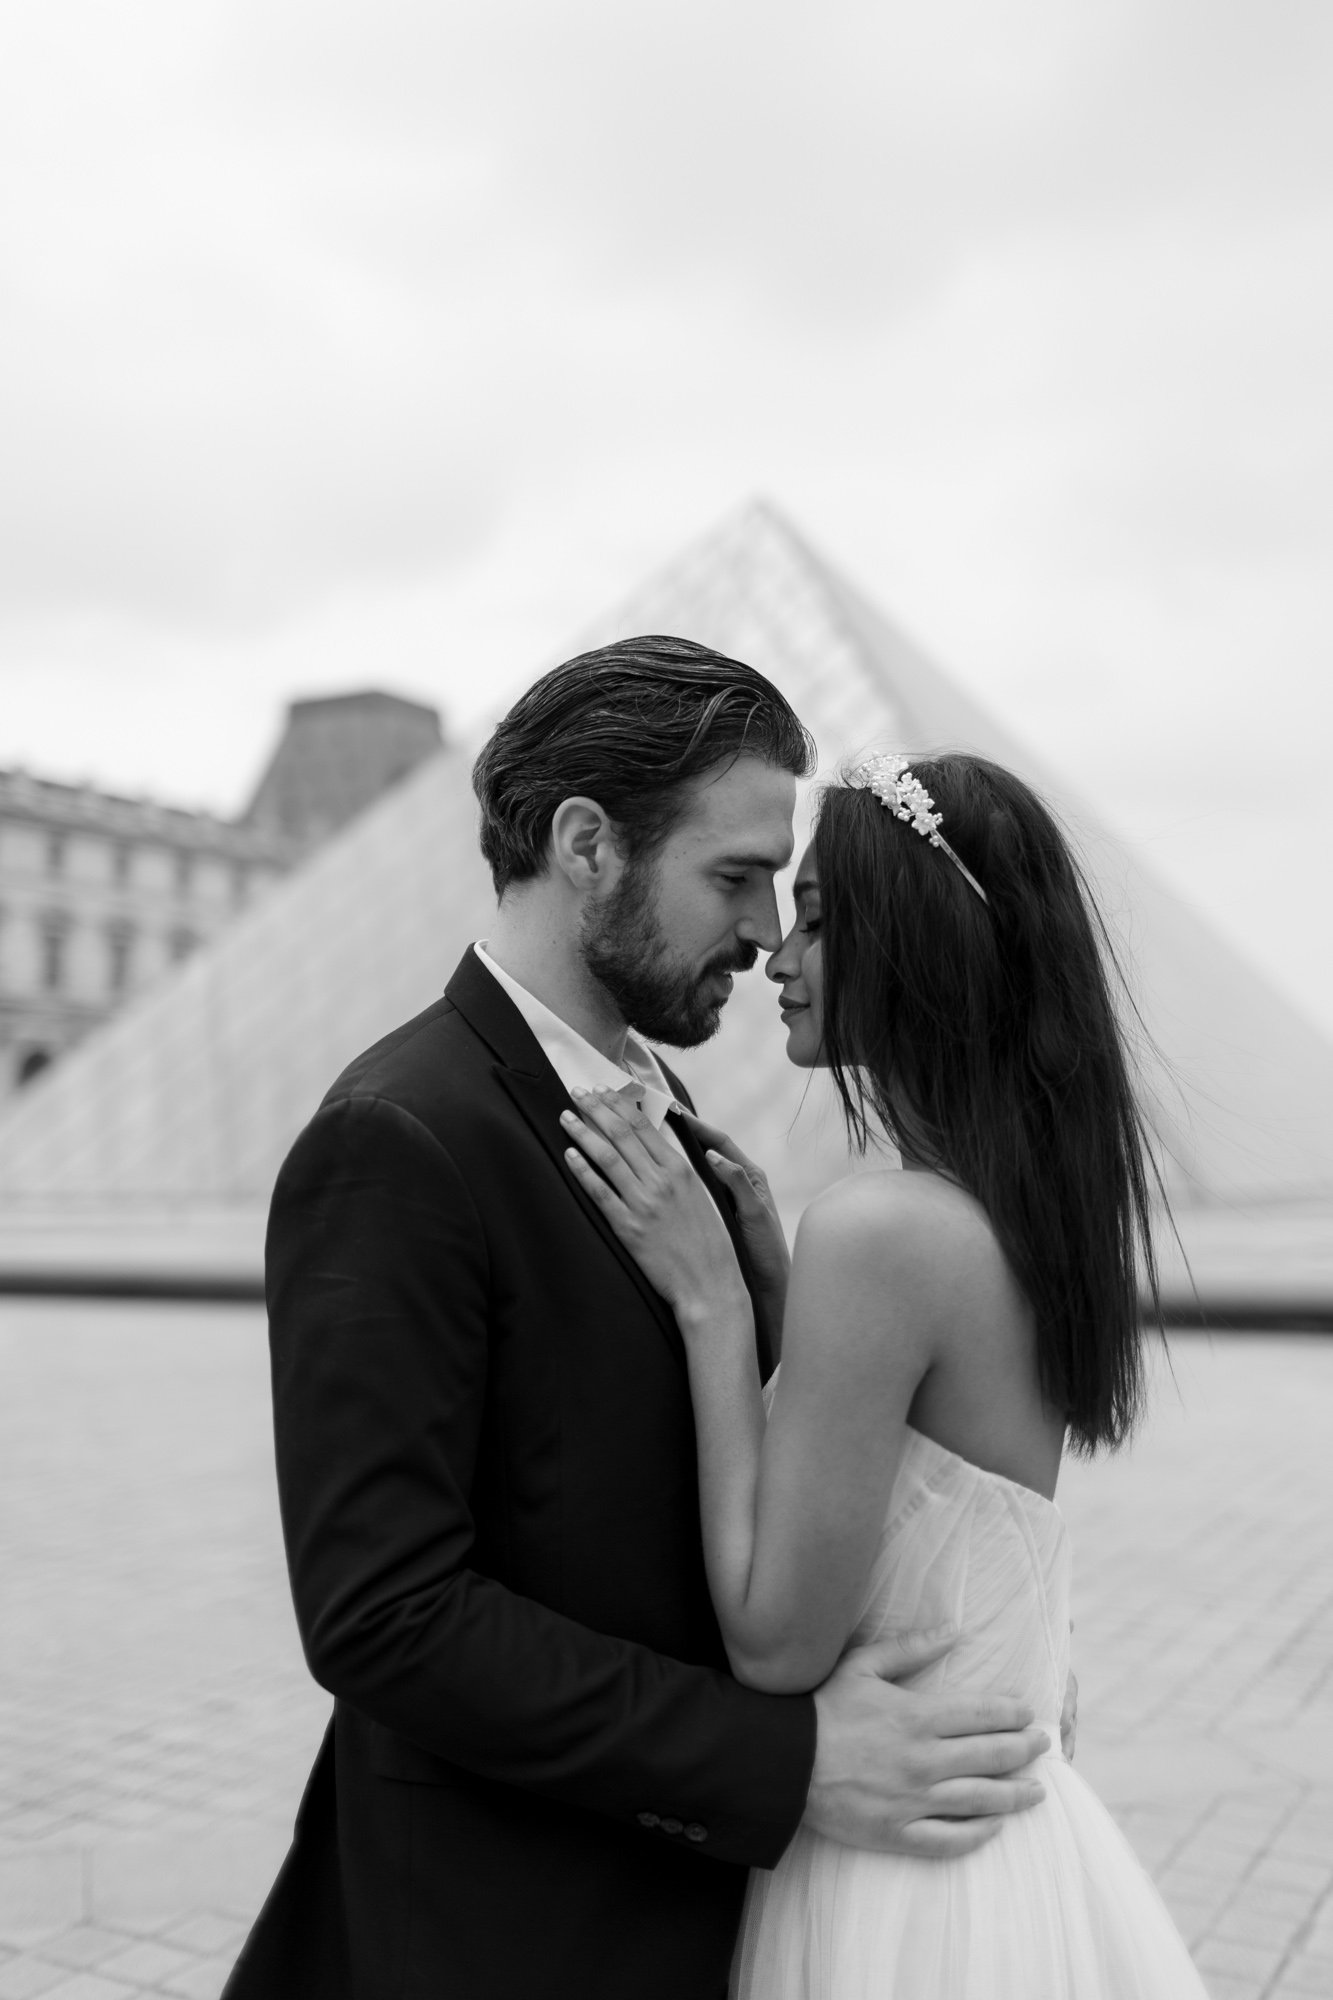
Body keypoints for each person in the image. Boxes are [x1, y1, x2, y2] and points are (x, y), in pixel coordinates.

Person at [223, 652, 1054, 2000]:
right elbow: (384, 1615)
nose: (764, 931)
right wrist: (782, 1763)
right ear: (588, 846)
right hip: (512, 1936)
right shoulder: (398, 1139)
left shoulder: (681, 1135)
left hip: (725, 1916)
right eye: (734, 877)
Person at [563, 749, 1209, 1998]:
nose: (773, 954)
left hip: (899, 1876)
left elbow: (772, 1638)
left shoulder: (882, 1231)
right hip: (1016, 1848)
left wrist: (708, 1299)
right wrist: (781, 1299)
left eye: (814, 918)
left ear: (910, 944)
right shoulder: (1026, 1219)